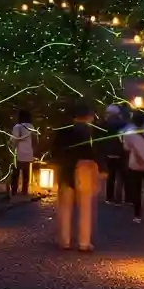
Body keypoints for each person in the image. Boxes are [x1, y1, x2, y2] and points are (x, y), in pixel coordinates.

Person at [50, 100, 102, 251]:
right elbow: (93, 152)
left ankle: (64, 240)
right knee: (85, 207)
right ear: (87, 116)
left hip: (66, 169)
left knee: (65, 207)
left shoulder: (63, 131)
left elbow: (55, 151)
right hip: (84, 169)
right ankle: (84, 243)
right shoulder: (89, 131)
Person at [102, 104, 127, 205]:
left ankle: (109, 197)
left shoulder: (105, 124)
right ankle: (118, 198)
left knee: (111, 176)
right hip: (120, 152)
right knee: (121, 175)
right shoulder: (122, 123)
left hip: (109, 152)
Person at [9, 109, 37, 196]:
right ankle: (24, 191)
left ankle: (14, 190)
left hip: (19, 152)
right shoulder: (31, 126)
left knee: (16, 173)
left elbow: (14, 140)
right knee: (26, 173)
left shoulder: (17, 127)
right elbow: (34, 139)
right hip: (28, 152)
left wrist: (12, 148)